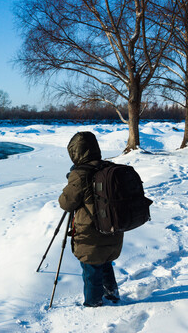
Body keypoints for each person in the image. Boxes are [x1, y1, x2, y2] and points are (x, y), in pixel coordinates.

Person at [58, 131, 122, 307]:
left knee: (92, 267)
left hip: (90, 233)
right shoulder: (108, 168)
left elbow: (66, 203)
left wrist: (72, 181)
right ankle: (112, 294)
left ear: (76, 153)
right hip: (112, 228)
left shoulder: (80, 174)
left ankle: (93, 304)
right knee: (106, 262)